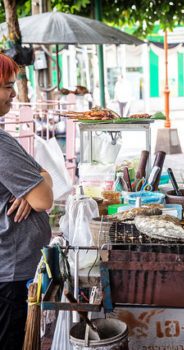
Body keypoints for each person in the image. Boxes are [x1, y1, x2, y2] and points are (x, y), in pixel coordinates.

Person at [0, 54, 53, 349]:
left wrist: (37, 180)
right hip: (10, 269)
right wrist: (39, 180)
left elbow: (40, 183)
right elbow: (44, 197)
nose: (13, 94)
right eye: (7, 87)